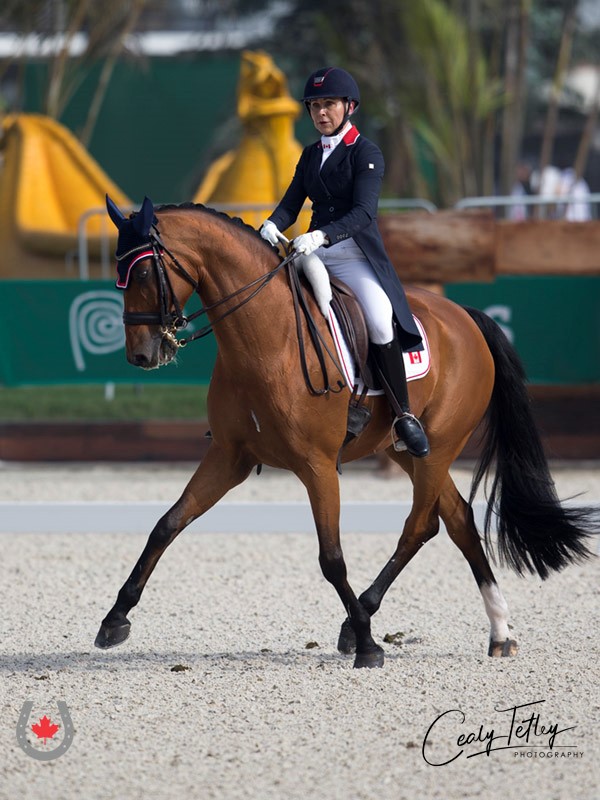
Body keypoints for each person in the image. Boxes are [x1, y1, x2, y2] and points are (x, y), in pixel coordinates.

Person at [260, 66, 429, 457]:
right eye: (315, 106)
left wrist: (321, 234)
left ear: (349, 106)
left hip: (352, 254)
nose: (321, 113)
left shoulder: (365, 153)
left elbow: (364, 212)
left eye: (329, 105)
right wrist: (270, 224)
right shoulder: (309, 155)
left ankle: (404, 415)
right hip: (313, 253)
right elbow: (290, 204)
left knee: (377, 320)